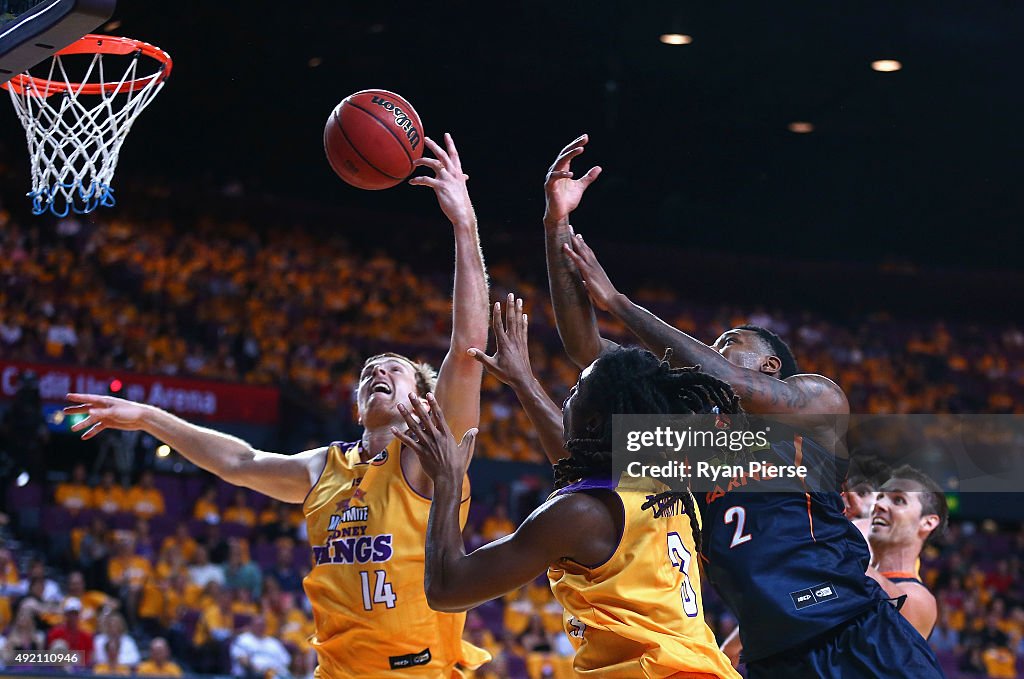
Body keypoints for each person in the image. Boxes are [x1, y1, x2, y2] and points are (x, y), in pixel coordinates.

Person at [65, 134, 490, 678]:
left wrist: (464, 224)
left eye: (393, 369)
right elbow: (238, 462)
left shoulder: (432, 460)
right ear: (358, 408)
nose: (376, 372)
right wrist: (148, 417)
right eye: (367, 372)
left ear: (425, 401)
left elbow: (468, 352)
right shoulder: (325, 467)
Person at [540, 135, 944, 678]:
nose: (708, 352)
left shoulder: (818, 402)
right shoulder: (694, 434)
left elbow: (724, 377)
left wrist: (618, 302)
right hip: (770, 656)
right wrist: (556, 225)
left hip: (854, 633)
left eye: (727, 343)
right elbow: (587, 352)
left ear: (772, 367)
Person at [400, 306, 741, 678]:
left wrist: (447, 482)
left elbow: (447, 589)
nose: (566, 395)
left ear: (594, 423)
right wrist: (523, 381)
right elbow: (576, 457)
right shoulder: (664, 484)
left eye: (576, 389)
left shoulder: (579, 515)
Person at [866, 465, 948, 639]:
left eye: (898, 500)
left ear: (927, 523)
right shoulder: (854, 567)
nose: (878, 504)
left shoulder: (918, 599)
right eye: (880, 497)